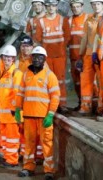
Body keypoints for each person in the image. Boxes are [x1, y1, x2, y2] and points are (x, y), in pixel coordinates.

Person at [16, 46, 60, 180]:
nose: (36, 59)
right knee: (29, 143)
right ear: (31, 58)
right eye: (34, 57)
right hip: (29, 116)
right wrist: (18, 109)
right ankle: (28, 167)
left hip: (44, 117)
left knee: (47, 144)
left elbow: (55, 96)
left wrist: (51, 114)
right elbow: (20, 93)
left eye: (40, 57)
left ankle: (48, 171)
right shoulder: (26, 74)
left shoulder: (50, 75)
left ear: (44, 59)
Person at [34, 0, 70, 112]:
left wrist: (62, 48)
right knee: (48, 80)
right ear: (45, 7)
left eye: (53, 5)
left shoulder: (62, 20)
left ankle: (62, 104)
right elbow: (38, 39)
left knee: (60, 80)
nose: (51, 8)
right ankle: (50, 104)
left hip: (60, 56)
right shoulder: (41, 22)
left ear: (56, 7)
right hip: (47, 57)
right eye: (48, 6)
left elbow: (68, 36)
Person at [0, 45, 23, 169]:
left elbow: (17, 93)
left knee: (12, 138)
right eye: (5, 57)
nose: (7, 59)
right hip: (3, 114)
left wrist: (15, 109)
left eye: (9, 57)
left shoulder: (16, 73)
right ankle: (6, 157)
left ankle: (12, 160)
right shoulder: (2, 73)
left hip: (11, 114)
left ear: (13, 58)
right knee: (5, 138)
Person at [77, 0, 103, 116]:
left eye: (98, 4)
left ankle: (101, 107)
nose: (96, 6)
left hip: (101, 55)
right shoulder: (88, 20)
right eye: (93, 4)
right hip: (88, 55)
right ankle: (85, 106)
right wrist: (80, 55)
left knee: (102, 81)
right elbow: (84, 38)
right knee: (86, 80)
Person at [67, 0, 87, 108]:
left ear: (82, 7)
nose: (76, 9)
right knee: (77, 82)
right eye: (73, 7)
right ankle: (81, 103)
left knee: (87, 81)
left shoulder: (87, 19)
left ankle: (91, 104)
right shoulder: (69, 21)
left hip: (85, 57)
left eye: (78, 6)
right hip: (74, 57)